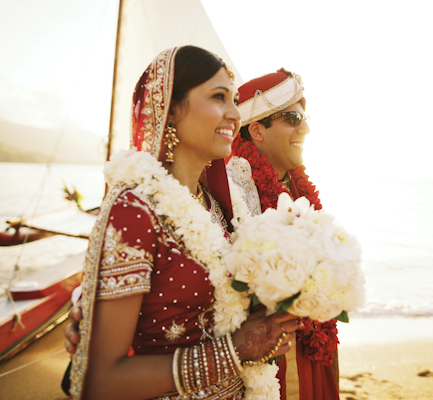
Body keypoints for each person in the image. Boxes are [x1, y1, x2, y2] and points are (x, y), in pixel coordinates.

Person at [68, 46, 300, 400]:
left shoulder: (217, 206)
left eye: (235, 100)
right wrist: (235, 352)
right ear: (170, 110)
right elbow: (98, 383)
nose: (234, 114)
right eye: (219, 97)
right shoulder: (134, 210)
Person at [226, 69, 340, 400]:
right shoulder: (233, 189)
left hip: (312, 342)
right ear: (257, 129)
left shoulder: (296, 187)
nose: (305, 128)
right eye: (293, 117)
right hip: (268, 356)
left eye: (304, 118)